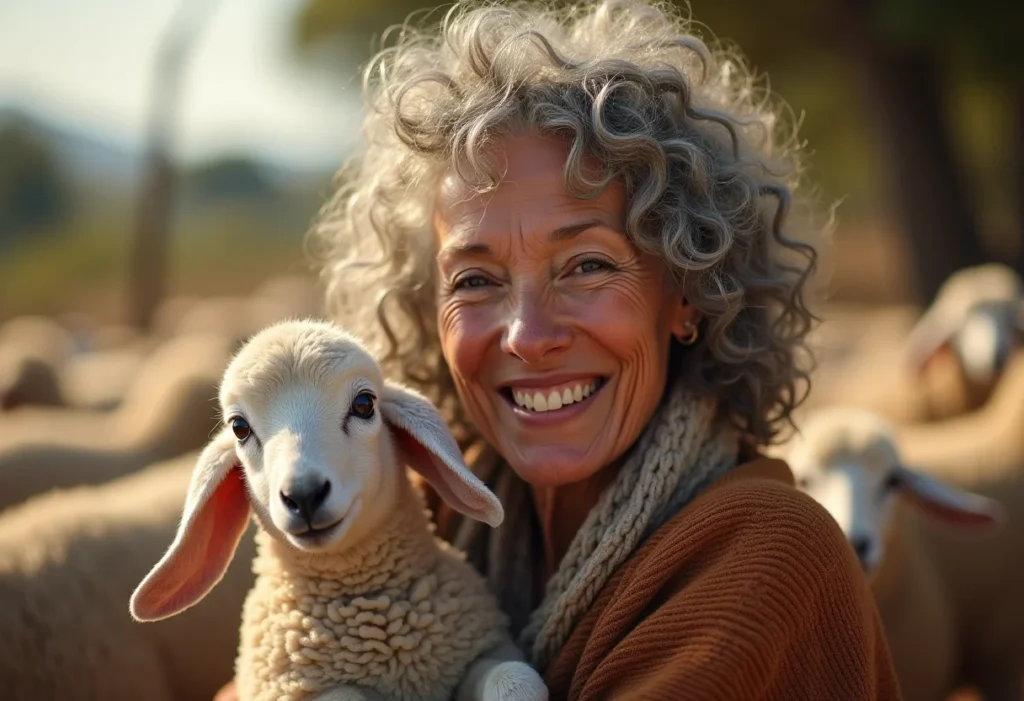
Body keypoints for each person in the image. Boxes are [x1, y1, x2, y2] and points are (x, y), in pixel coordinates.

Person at [216, 1, 901, 699]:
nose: (529, 335)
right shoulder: (430, 515)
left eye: (588, 266)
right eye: (475, 279)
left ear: (690, 289)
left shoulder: (769, 557)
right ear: (429, 311)